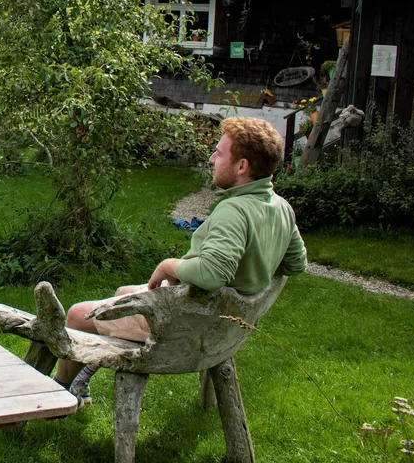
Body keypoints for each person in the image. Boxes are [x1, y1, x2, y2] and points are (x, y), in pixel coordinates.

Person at [53, 116, 308, 404]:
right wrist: (256, 263)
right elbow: (296, 264)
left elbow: (212, 275)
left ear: (241, 166)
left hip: (188, 325)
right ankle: (84, 378)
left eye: (219, 153)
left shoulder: (234, 211)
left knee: (76, 314)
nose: (212, 159)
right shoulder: (281, 208)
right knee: (123, 295)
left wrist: (169, 265)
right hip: (221, 328)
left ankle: (61, 390)